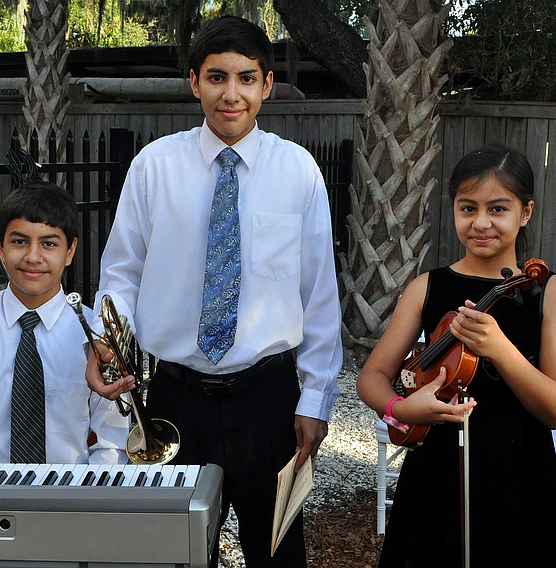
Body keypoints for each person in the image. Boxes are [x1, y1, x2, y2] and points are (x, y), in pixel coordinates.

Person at [85, 15, 343, 567]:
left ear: (267, 84)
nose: (232, 94)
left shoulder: (298, 172)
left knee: (276, 553)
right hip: (174, 401)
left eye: (247, 78)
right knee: (172, 554)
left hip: (269, 399)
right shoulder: (154, 167)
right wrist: (110, 345)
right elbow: (122, 273)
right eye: (218, 77)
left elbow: (318, 293)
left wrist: (316, 398)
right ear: (194, 82)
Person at [357, 143, 556, 567]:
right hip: (436, 472)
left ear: (525, 212)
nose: (481, 223)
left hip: (519, 476)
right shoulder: (427, 286)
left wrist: (499, 349)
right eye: (467, 208)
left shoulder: (554, 294)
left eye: (497, 209)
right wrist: (401, 408)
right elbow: (372, 378)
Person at [0, 179, 129, 465]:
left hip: (67, 497)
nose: (32, 257)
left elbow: (111, 442)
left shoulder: (95, 334)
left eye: (49, 243)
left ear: (69, 251)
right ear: (0, 247)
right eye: (19, 241)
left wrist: (88, 503)